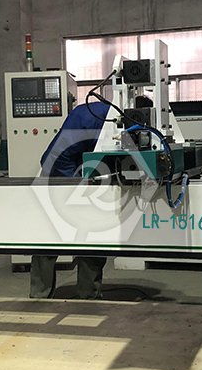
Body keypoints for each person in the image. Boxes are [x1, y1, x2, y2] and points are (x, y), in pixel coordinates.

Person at [29, 95, 153, 299]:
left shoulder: (120, 127)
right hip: (58, 177)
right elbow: (57, 158)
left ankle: (88, 295)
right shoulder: (88, 115)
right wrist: (78, 188)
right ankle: (39, 297)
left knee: (94, 240)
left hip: (90, 181)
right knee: (49, 238)